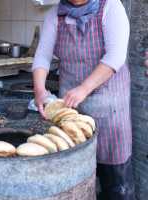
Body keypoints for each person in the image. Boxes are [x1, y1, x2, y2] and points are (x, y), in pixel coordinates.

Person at [32, 0, 135, 199]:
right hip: (70, 109)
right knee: (76, 174)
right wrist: (39, 89)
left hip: (109, 107)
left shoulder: (111, 7)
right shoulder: (55, 14)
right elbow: (43, 56)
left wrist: (84, 88)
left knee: (115, 180)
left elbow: (115, 56)